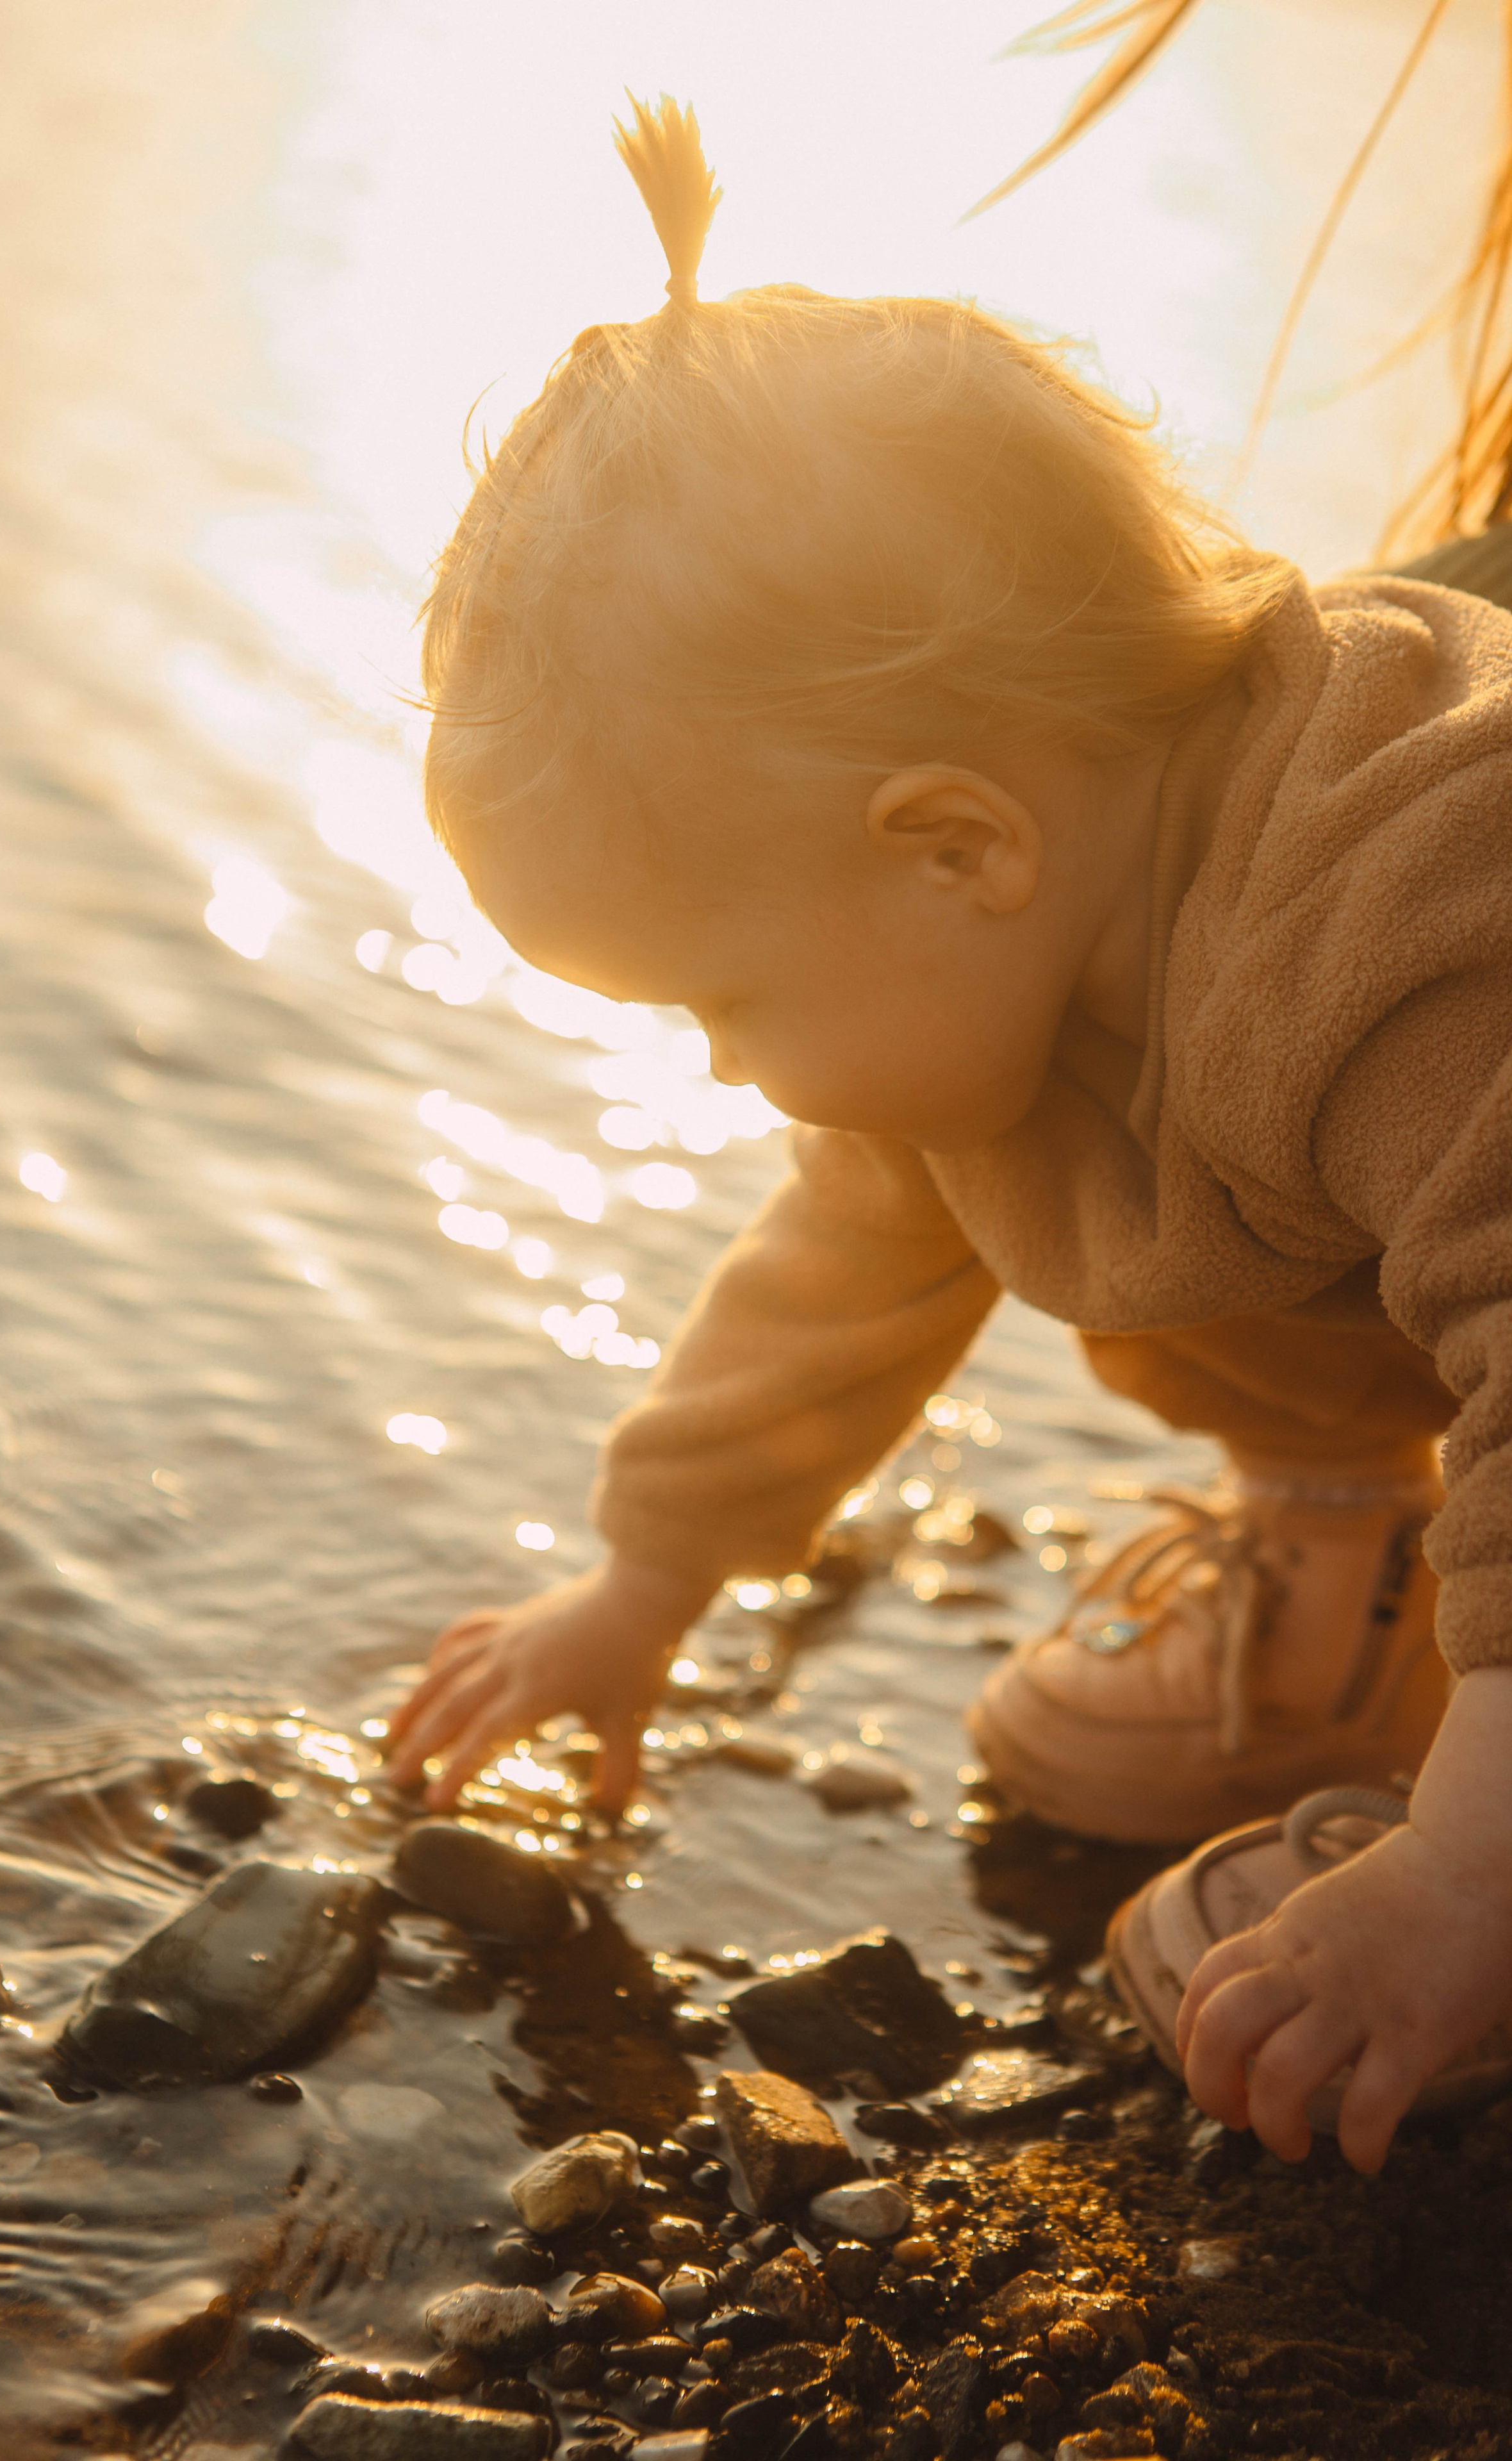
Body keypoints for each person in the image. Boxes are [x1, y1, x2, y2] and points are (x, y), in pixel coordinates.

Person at [385, 97, 1512, 2178]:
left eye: (718, 1003)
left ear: (955, 844)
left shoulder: (1412, 919)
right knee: (1051, 1183)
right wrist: (638, 1590)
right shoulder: (1025, 961)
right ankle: (1368, 1570)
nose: (723, 1071)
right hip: (1360, 1218)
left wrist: (1459, 1888)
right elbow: (836, 1270)